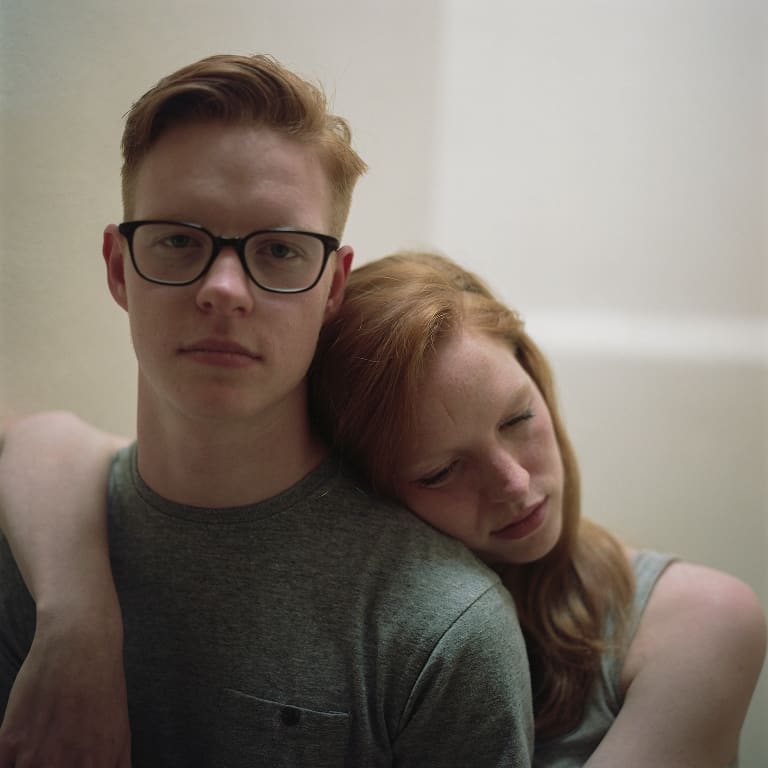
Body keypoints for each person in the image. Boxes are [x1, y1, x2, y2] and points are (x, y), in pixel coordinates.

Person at [3, 250, 767, 767]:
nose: (511, 482)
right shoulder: (386, 606)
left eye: (518, 418)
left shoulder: (702, 620)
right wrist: (78, 623)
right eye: (440, 470)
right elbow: (47, 441)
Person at [0, 57, 535, 767]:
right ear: (118, 267)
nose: (225, 289)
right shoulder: (26, 559)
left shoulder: (443, 630)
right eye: (179, 240)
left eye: (280, 250)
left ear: (333, 287)